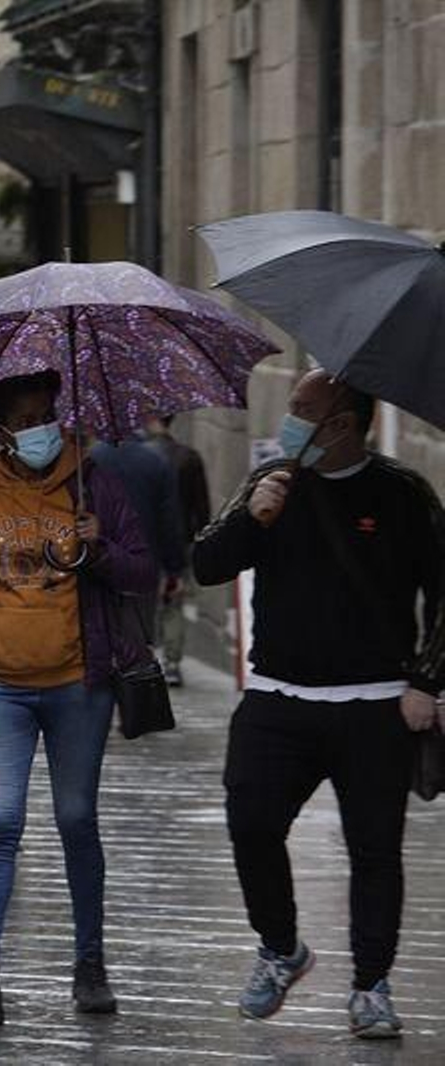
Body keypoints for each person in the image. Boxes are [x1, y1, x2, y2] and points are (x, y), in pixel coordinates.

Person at [193, 370, 445, 1039]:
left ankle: (371, 986)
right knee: (250, 822)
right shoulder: (272, 480)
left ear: (342, 424)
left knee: (375, 851)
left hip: (374, 704)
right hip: (278, 697)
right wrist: (254, 518)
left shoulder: (404, 493)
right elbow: (206, 563)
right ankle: (281, 948)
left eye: (303, 410)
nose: (290, 418)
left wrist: (428, 681)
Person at [0, 370, 154, 1028]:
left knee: (75, 820)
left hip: (78, 687)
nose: (40, 428)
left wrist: (102, 549)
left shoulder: (97, 482)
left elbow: (147, 569)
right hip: (0, 686)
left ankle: (90, 965)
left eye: (46, 413)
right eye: (25, 418)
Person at [88, 435, 185, 642]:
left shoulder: (89, 460)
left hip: (99, 562)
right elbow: (169, 521)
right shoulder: (156, 461)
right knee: (139, 641)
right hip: (143, 564)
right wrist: (174, 570)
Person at [144, 416, 212, 685]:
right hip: (179, 541)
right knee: (174, 603)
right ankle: (172, 662)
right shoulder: (189, 457)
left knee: (146, 604)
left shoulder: (142, 458)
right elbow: (202, 506)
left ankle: (150, 656)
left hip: (145, 542)